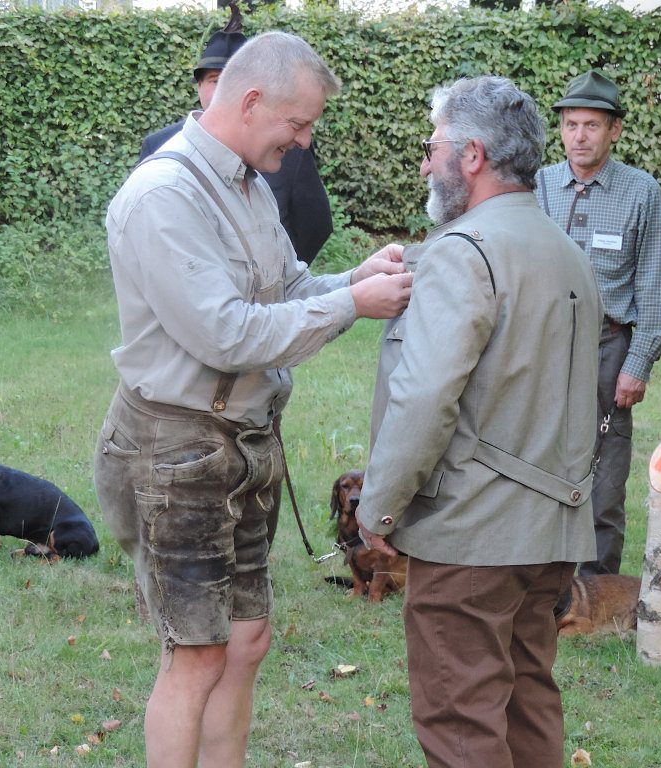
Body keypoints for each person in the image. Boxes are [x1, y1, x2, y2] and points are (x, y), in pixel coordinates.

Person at [93, 31, 411, 768]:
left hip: (239, 445)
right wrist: (355, 306)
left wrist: (350, 281)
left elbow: (285, 289)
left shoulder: (247, 185)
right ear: (251, 100)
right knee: (197, 654)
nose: (302, 144)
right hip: (177, 451)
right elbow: (227, 334)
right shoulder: (163, 196)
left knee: (246, 640)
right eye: (297, 126)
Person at [357, 75, 603, 768]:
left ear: (470, 155)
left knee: (460, 722)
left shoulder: (463, 253)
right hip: (551, 532)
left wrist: (377, 510)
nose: (424, 163)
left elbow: (425, 398)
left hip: (472, 538)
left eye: (432, 147)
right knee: (528, 709)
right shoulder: (568, 255)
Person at [534, 69, 661, 576]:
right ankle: (539, 576)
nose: (579, 137)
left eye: (591, 125)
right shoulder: (541, 185)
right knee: (538, 457)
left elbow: (653, 291)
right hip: (544, 346)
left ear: (614, 130)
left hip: (608, 347)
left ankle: (599, 590)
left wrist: (637, 365)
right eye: (571, 125)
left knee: (606, 471)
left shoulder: (641, 192)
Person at [139, 5, 333, 265]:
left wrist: (281, 280)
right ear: (199, 86)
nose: (303, 139)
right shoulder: (164, 180)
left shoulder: (267, 170)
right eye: (215, 80)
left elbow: (314, 223)